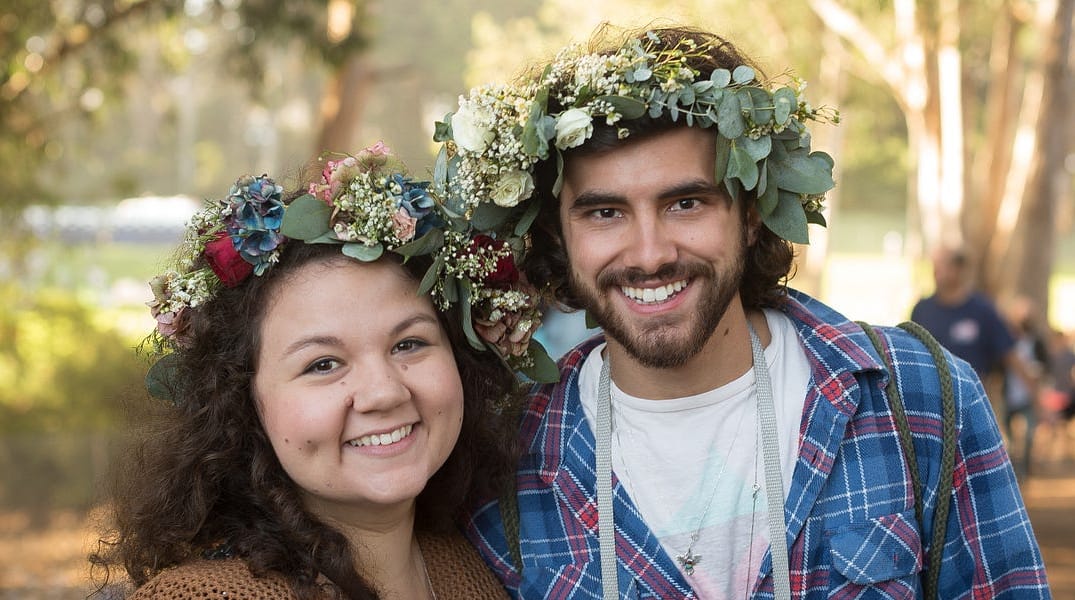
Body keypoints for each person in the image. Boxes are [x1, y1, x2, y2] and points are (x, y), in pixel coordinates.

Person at [435, 25, 1050, 598]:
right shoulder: (505, 458)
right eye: (604, 213)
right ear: (558, 237)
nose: (650, 254)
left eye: (686, 203)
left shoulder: (920, 398)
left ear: (752, 214)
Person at [89, 144, 549, 598]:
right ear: (241, 403)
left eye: (409, 343)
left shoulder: (475, 572)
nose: (384, 393)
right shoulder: (208, 595)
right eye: (323, 364)